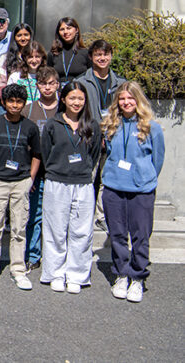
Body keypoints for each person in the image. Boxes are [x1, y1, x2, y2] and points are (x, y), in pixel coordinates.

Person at [101, 82, 165, 303]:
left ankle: (137, 277)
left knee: (140, 237)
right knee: (117, 235)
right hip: (113, 189)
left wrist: (143, 177)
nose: (126, 102)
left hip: (141, 191)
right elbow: (108, 153)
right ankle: (121, 274)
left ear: (138, 100)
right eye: (122, 99)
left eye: (130, 98)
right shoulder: (110, 124)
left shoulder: (152, 127)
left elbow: (157, 160)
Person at [40, 80, 102, 294]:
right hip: (57, 182)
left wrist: (83, 169)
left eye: (80, 99)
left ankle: (76, 274)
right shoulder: (52, 125)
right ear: (63, 99)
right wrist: (59, 169)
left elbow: (94, 156)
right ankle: (55, 273)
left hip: (83, 184)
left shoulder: (92, 126)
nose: (76, 102)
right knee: (55, 230)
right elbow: (46, 154)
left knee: (81, 231)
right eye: (72, 98)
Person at [0, 84, 42, 290]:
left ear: (24, 104)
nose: (15, 105)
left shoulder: (31, 127)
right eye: (11, 101)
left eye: (19, 102)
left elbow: (36, 154)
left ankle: (18, 269)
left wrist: (30, 178)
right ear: (4, 102)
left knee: (18, 228)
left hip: (20, 182)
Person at [77, 38, 126, 232]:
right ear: (91, 57)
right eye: (98, 54)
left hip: (114, 135)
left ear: (111, 56)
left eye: (105, 54)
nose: (102, 58)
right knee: (89, 175)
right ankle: (85, 212)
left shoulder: (121, 83)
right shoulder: (82, 82)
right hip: (90, 136)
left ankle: (102, 215)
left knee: (107, 178)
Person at [23, 66, 60, 273]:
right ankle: (33, 255)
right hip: (35, 172)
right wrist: (28, 174)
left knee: (56, 216)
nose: (47, 88)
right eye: (43, 84)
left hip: (58, 172)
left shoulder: (63, 109)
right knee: (34, 216)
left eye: (51, 83)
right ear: (37, 86)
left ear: (57, 85)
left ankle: (53, 256)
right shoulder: (29, 109)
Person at [48, 17, 90, 85]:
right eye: (62, 29)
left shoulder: (85, 53)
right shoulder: (53, 54)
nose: (65, 32)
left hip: (78, 92)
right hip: (58, 93)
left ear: (76, 30)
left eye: (69, 28)